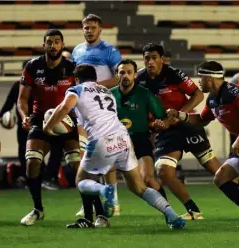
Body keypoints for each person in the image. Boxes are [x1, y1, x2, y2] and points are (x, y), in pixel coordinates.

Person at [43, 64, 186, 229]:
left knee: (81, 180)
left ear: (76, 79)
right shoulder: (106, 92)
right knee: (139, 187)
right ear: (95, 78)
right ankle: (172, 216)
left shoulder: (76, 90)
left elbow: (64, 107)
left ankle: (105, 192)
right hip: (123, 138)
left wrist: (48, 127)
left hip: (101, 139)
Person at [136, 42, 239, 220]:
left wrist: (180, 114)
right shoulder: (140, 79)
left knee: (214, 168)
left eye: (154, 58)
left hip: (187, 125)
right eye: (147, 58)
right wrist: (152, 123)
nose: (150, 62)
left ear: (162, 59)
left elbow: (198, 95)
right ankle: (193, 210)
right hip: (166, 131)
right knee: (163, 171)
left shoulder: (173, 74)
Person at [167, 60, 239, 227]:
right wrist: (180, 115)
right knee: (221, 177)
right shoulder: (212, 99)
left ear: (210, 79)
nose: (199, 81)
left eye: (201, 77)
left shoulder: (231, 91)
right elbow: (201, 121)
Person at [18, 29, 93, 226]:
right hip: (40, 120)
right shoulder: (32, 66)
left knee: (78, 165)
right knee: (32, 163)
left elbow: (84, 95)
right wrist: (25, 116)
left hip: (67, 120)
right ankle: (37, 209)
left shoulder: (72, 67)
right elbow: (22, 99)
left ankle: (88, 208)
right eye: (49, 42)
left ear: (62, 44)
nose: (53, 45)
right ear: (44, 45)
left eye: (57, 42)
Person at [72, 13, 122, 217]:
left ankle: (114, 199)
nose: (89, 31)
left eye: (93, 27)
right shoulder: (77, 50)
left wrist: (94, 87)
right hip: (82, 110)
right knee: (85, 156)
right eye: (86, 27)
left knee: (106, 155)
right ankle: (89, 203)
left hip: (102, 111)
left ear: (100, 30)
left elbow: (119, 77)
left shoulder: (109, 51)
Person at [111, 59, 169, 198]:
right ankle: (105, 208)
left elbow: (162, 116)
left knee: (147, 179)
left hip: (140, 139)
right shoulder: (108, 95)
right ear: (117, 75)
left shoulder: (145, 94)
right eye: (122, 72)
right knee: (128, 185)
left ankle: (169, 212)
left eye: (129, 72)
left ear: (135, 75)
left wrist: (159, 124)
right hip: (115, 142)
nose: (125, 75)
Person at [0, 60, 31, 182]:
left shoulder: (41, 86)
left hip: (39, 125)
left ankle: (39, 177)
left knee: (38, 152)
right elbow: (8, 104)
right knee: (23, 151)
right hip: (23, 126)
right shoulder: (17, 86)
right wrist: (1, 116)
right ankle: (25, 177)